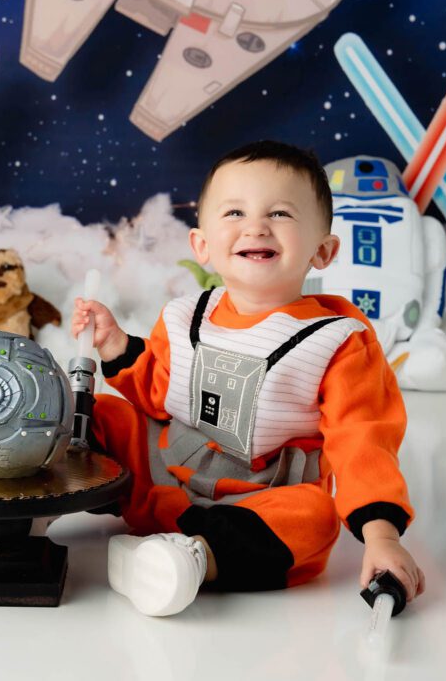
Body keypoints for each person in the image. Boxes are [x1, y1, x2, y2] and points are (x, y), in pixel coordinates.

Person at [71, 140, 425, 617]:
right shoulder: (186, 316)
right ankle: (31, 503)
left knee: (313, 518)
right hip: (163, 470)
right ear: (202, 245)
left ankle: (191, 561)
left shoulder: (336, 342)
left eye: (280, 213)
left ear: (323, 251)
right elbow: (158, 392)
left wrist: (382, 536)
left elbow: (363, 439)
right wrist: (115, 345)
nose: (256, 226)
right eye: (235, 212)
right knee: (93, 414)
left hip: (256, 497)